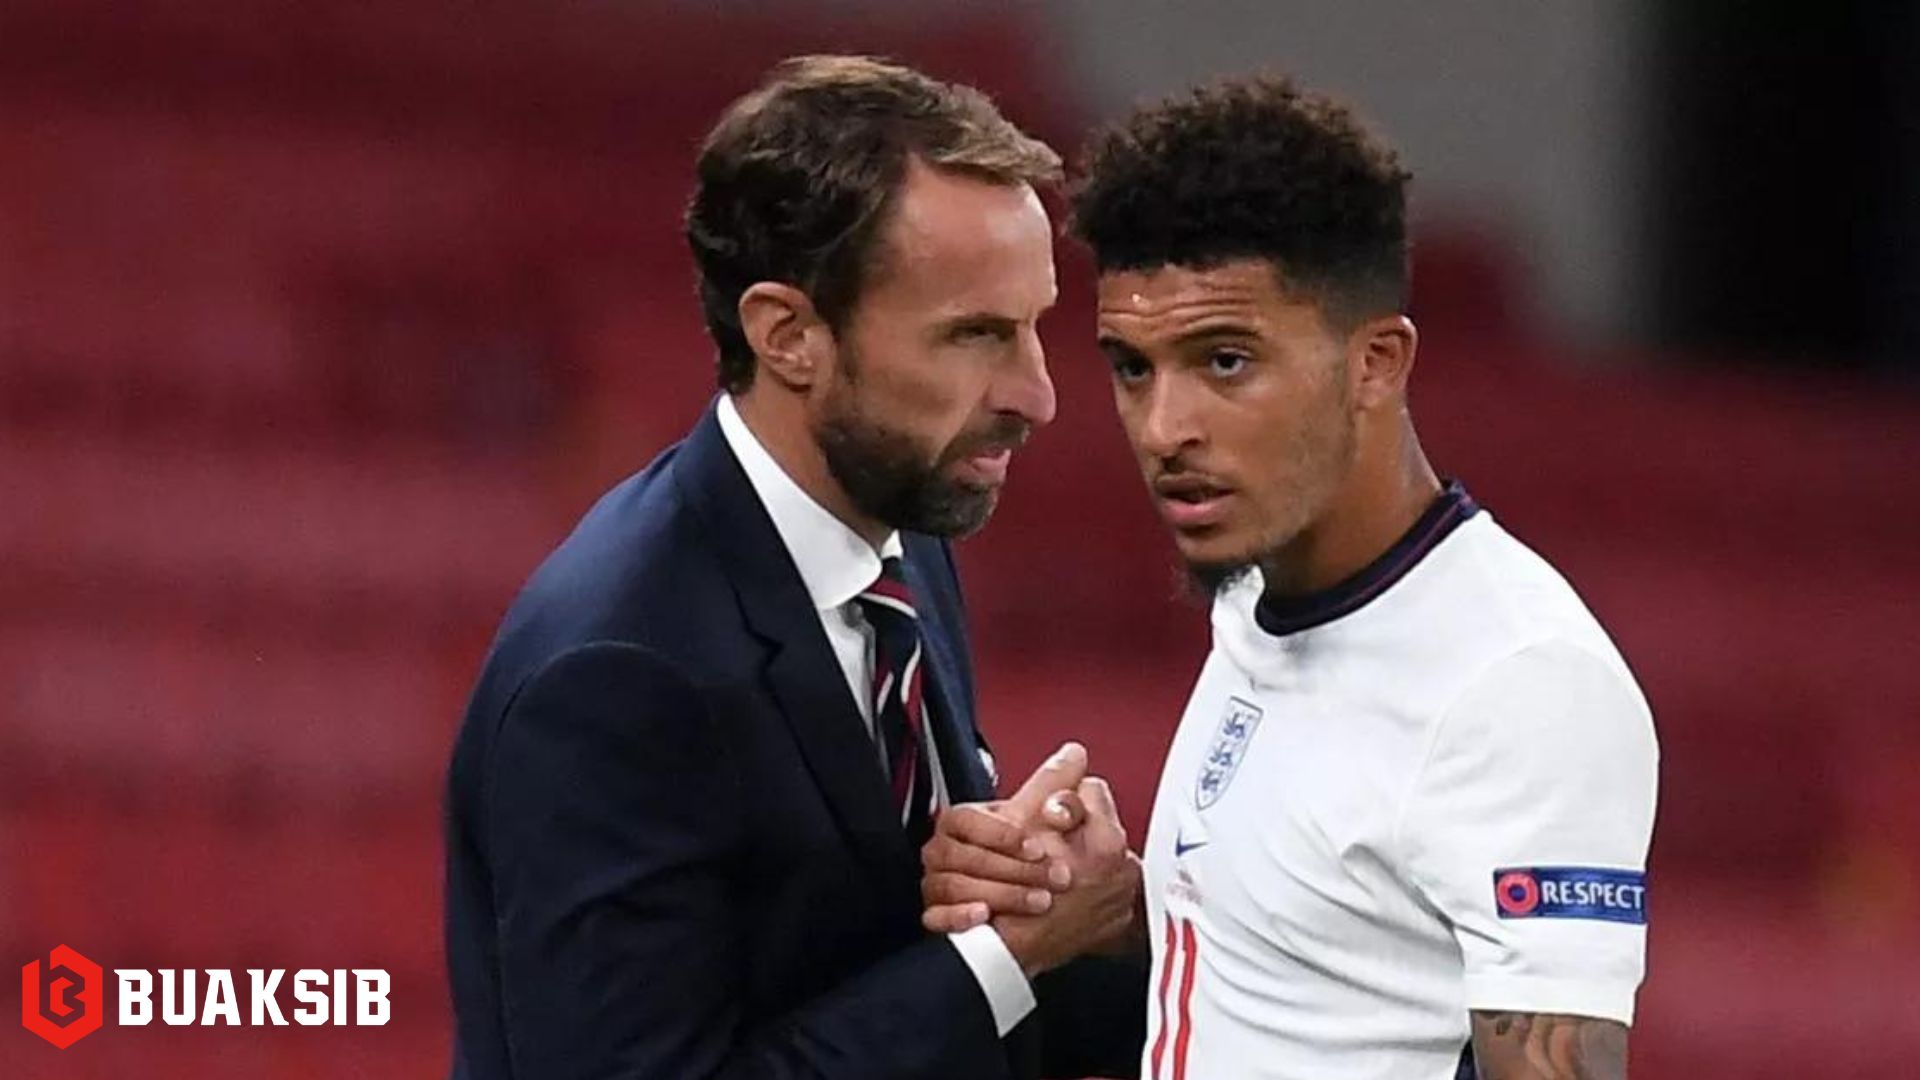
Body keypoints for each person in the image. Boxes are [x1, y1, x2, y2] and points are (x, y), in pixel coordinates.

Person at [922, 75, 1659, 1080]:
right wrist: (1109, 909)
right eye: (1133, 366)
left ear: (1376, 363)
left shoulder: (1520, 683)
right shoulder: (1257, 595)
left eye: (1225, 361)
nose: (1165, 428)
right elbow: (1314, 987)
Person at [444, 55, 1143, 1080]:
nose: (1037, 394)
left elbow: (887, 971)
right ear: (789, 336)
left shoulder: (904, 535)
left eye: (1034, 325)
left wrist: (1081, 909)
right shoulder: (615, 670)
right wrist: (1005, 957)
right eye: (974, 336)